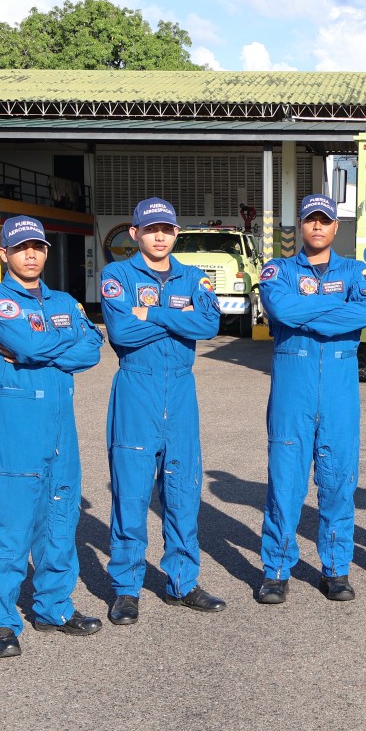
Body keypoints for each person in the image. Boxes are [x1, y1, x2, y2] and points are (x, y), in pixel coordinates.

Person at [0, 216, 105, 658]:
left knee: (60, 517)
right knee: (9, 524)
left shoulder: (64, 299)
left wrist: (40, 343)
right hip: (16, 423)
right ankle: (0, 621)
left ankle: (53, 607)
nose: (31, 254)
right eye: (21, 247)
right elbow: (26, 346)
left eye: (38, 247)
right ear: (3, 254)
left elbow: (92, 350)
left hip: (60, 426)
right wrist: (54, 343)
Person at [101, 198, 226, 624]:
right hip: (137, 387)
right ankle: (126, 589)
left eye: (167, 229)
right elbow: (121, 330)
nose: (159, 236)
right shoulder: (117, 274)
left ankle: (182, 582)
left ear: (176, 234)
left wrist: (150, 311)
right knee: (132, 492)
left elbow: (209, 325)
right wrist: (178, 312)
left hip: (181, 389)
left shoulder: (193, 276)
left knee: (183, 492)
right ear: (134, 233)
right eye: (150, 228)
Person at [255, 195, 366, 603]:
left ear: (335, 227)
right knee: (285, 484)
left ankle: (336, 570)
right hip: (294, 392)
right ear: (300, 226)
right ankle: (275, 571)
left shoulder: (356, 270)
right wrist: (334, 305)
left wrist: (306, 307)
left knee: (338, 483)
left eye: (325, 221)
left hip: (340, 395)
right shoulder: (279, 269)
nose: (318, 227)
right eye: (311, 220)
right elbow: (282, 310)